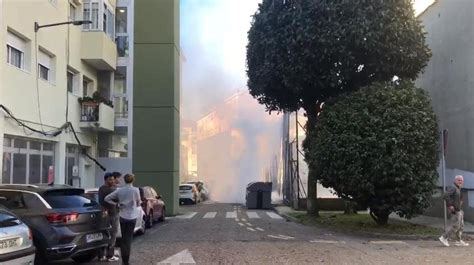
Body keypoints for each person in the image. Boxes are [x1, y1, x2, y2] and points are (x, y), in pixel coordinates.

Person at [105, 174, 141, 265]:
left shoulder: (120, 190)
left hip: (123, 215)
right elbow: (138, 203)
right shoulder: (135, 190)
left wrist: (116, 204)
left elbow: (107, 198)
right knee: (128, 239)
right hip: (132, 216)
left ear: (125, 180)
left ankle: (124, 260)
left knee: (124, 239)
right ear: (133, 180)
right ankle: (126, 261)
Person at [439, 175, 469, 247]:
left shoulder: (458, 188)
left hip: (459, 210)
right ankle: (444, 237)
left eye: (461, 180)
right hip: (455, 210)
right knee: (455, 226)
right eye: (458, 180)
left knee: (461, 226)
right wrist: (450, 205)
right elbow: (445, 195)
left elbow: (457, 198)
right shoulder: (453, 187)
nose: (460, 181)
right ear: (455, 180)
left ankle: (458, 241)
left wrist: (460, 201)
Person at [98, 172, 120, 262]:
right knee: (113, 235)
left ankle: (101, 255)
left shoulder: (101, 188)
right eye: (110, 179)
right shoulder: (109, 189)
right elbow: (118, 198)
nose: (112, 181)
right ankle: (110, 255)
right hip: (112, 214)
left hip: (105, 214)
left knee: (104, 234)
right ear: (106, 179)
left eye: (113, 179)